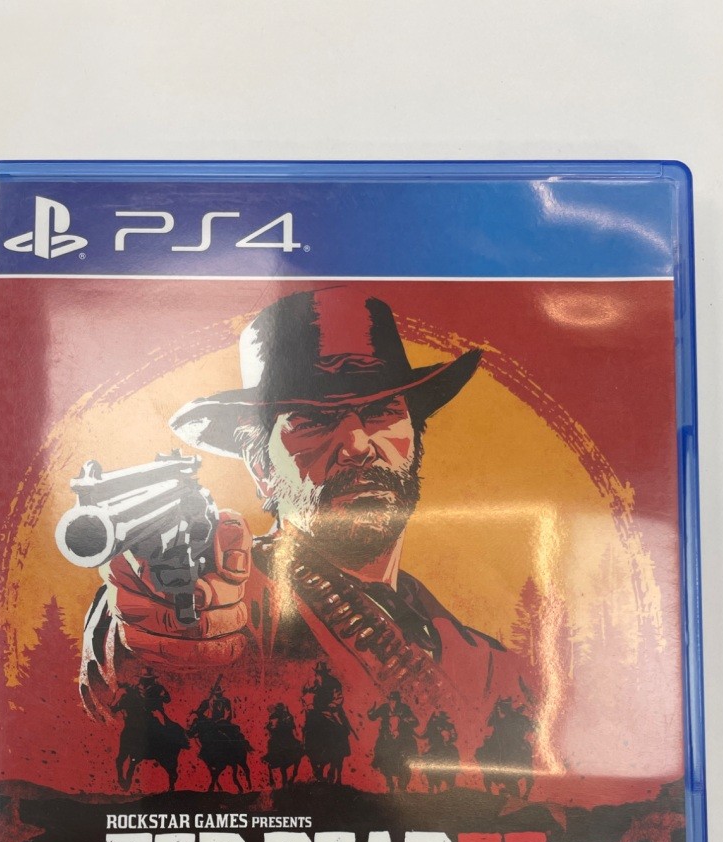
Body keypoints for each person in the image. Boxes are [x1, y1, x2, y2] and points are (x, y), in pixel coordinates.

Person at [79, 287, 535, 789]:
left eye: (382, 412)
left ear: (415, 441)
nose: (357, 445)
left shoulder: (491, 663)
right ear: (260, 467)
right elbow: (156, 639)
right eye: (313, 421)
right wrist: (145, 623)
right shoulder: (242, 594)